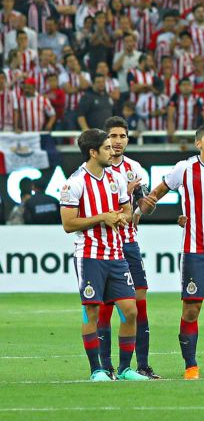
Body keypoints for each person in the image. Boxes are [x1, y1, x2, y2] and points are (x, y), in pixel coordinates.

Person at [139, 124, 204, 380]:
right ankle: (191, 366)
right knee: (191, 309)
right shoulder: (184, 168)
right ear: (199, 143)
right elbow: (158, 192)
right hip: (195, 250)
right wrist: (143, 208)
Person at [59, 129, 147, 382]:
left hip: (116, 254)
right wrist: (102, 217)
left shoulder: (116, 178)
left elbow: (126, 211)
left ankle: (125, 369)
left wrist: (121, 216)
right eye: (107, 147)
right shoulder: (74, 183)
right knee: (92, 312)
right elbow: (68, 224)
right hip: (89, 256)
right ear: (93, 152)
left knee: (130, 311)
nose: (113, 150)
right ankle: (97, 370)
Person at [96, 116, 159, 380]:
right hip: (103, 247)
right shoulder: (96, 169)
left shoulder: (135, 169)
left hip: (129, 243)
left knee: (139, 304)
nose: (118, 141)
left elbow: (138, 212)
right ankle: (106, 367)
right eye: (113, 136)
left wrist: (146, 205)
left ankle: (141, 365)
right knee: (106, 307)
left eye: (122, 136)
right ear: (104, 140)